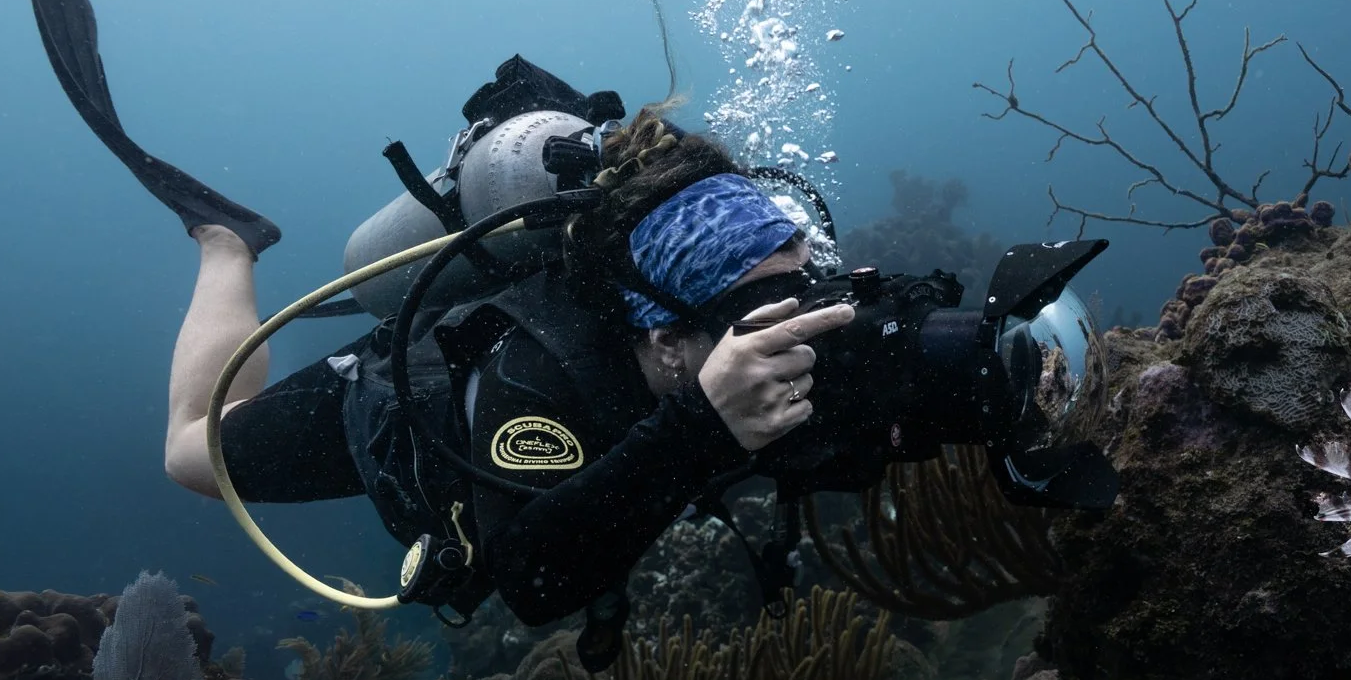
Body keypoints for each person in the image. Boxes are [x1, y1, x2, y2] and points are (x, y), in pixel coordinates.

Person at [160, 104, 855, 627]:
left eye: (805, 294)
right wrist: (702, 427)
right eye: (762, 315)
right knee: (192, 452)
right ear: (669, 340)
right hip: (392, 412)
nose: (793, 335)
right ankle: (229, 242)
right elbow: (532, 584)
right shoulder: (536, 381)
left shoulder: (694, 339)